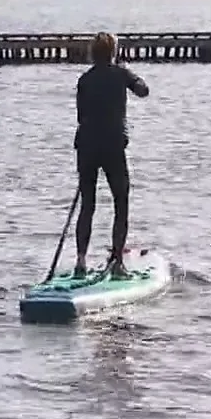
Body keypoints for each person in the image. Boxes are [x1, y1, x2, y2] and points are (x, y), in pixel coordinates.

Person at [72, 31, 149, 278]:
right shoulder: (120, 74)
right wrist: (127, 72)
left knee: (88, 204)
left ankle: (81, 261)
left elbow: (81, 116)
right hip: (112, 146)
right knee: (121, 202)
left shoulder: (85, 79)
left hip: (86, 145)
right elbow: (143, 90)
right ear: (113, 52)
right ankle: (117, 262)